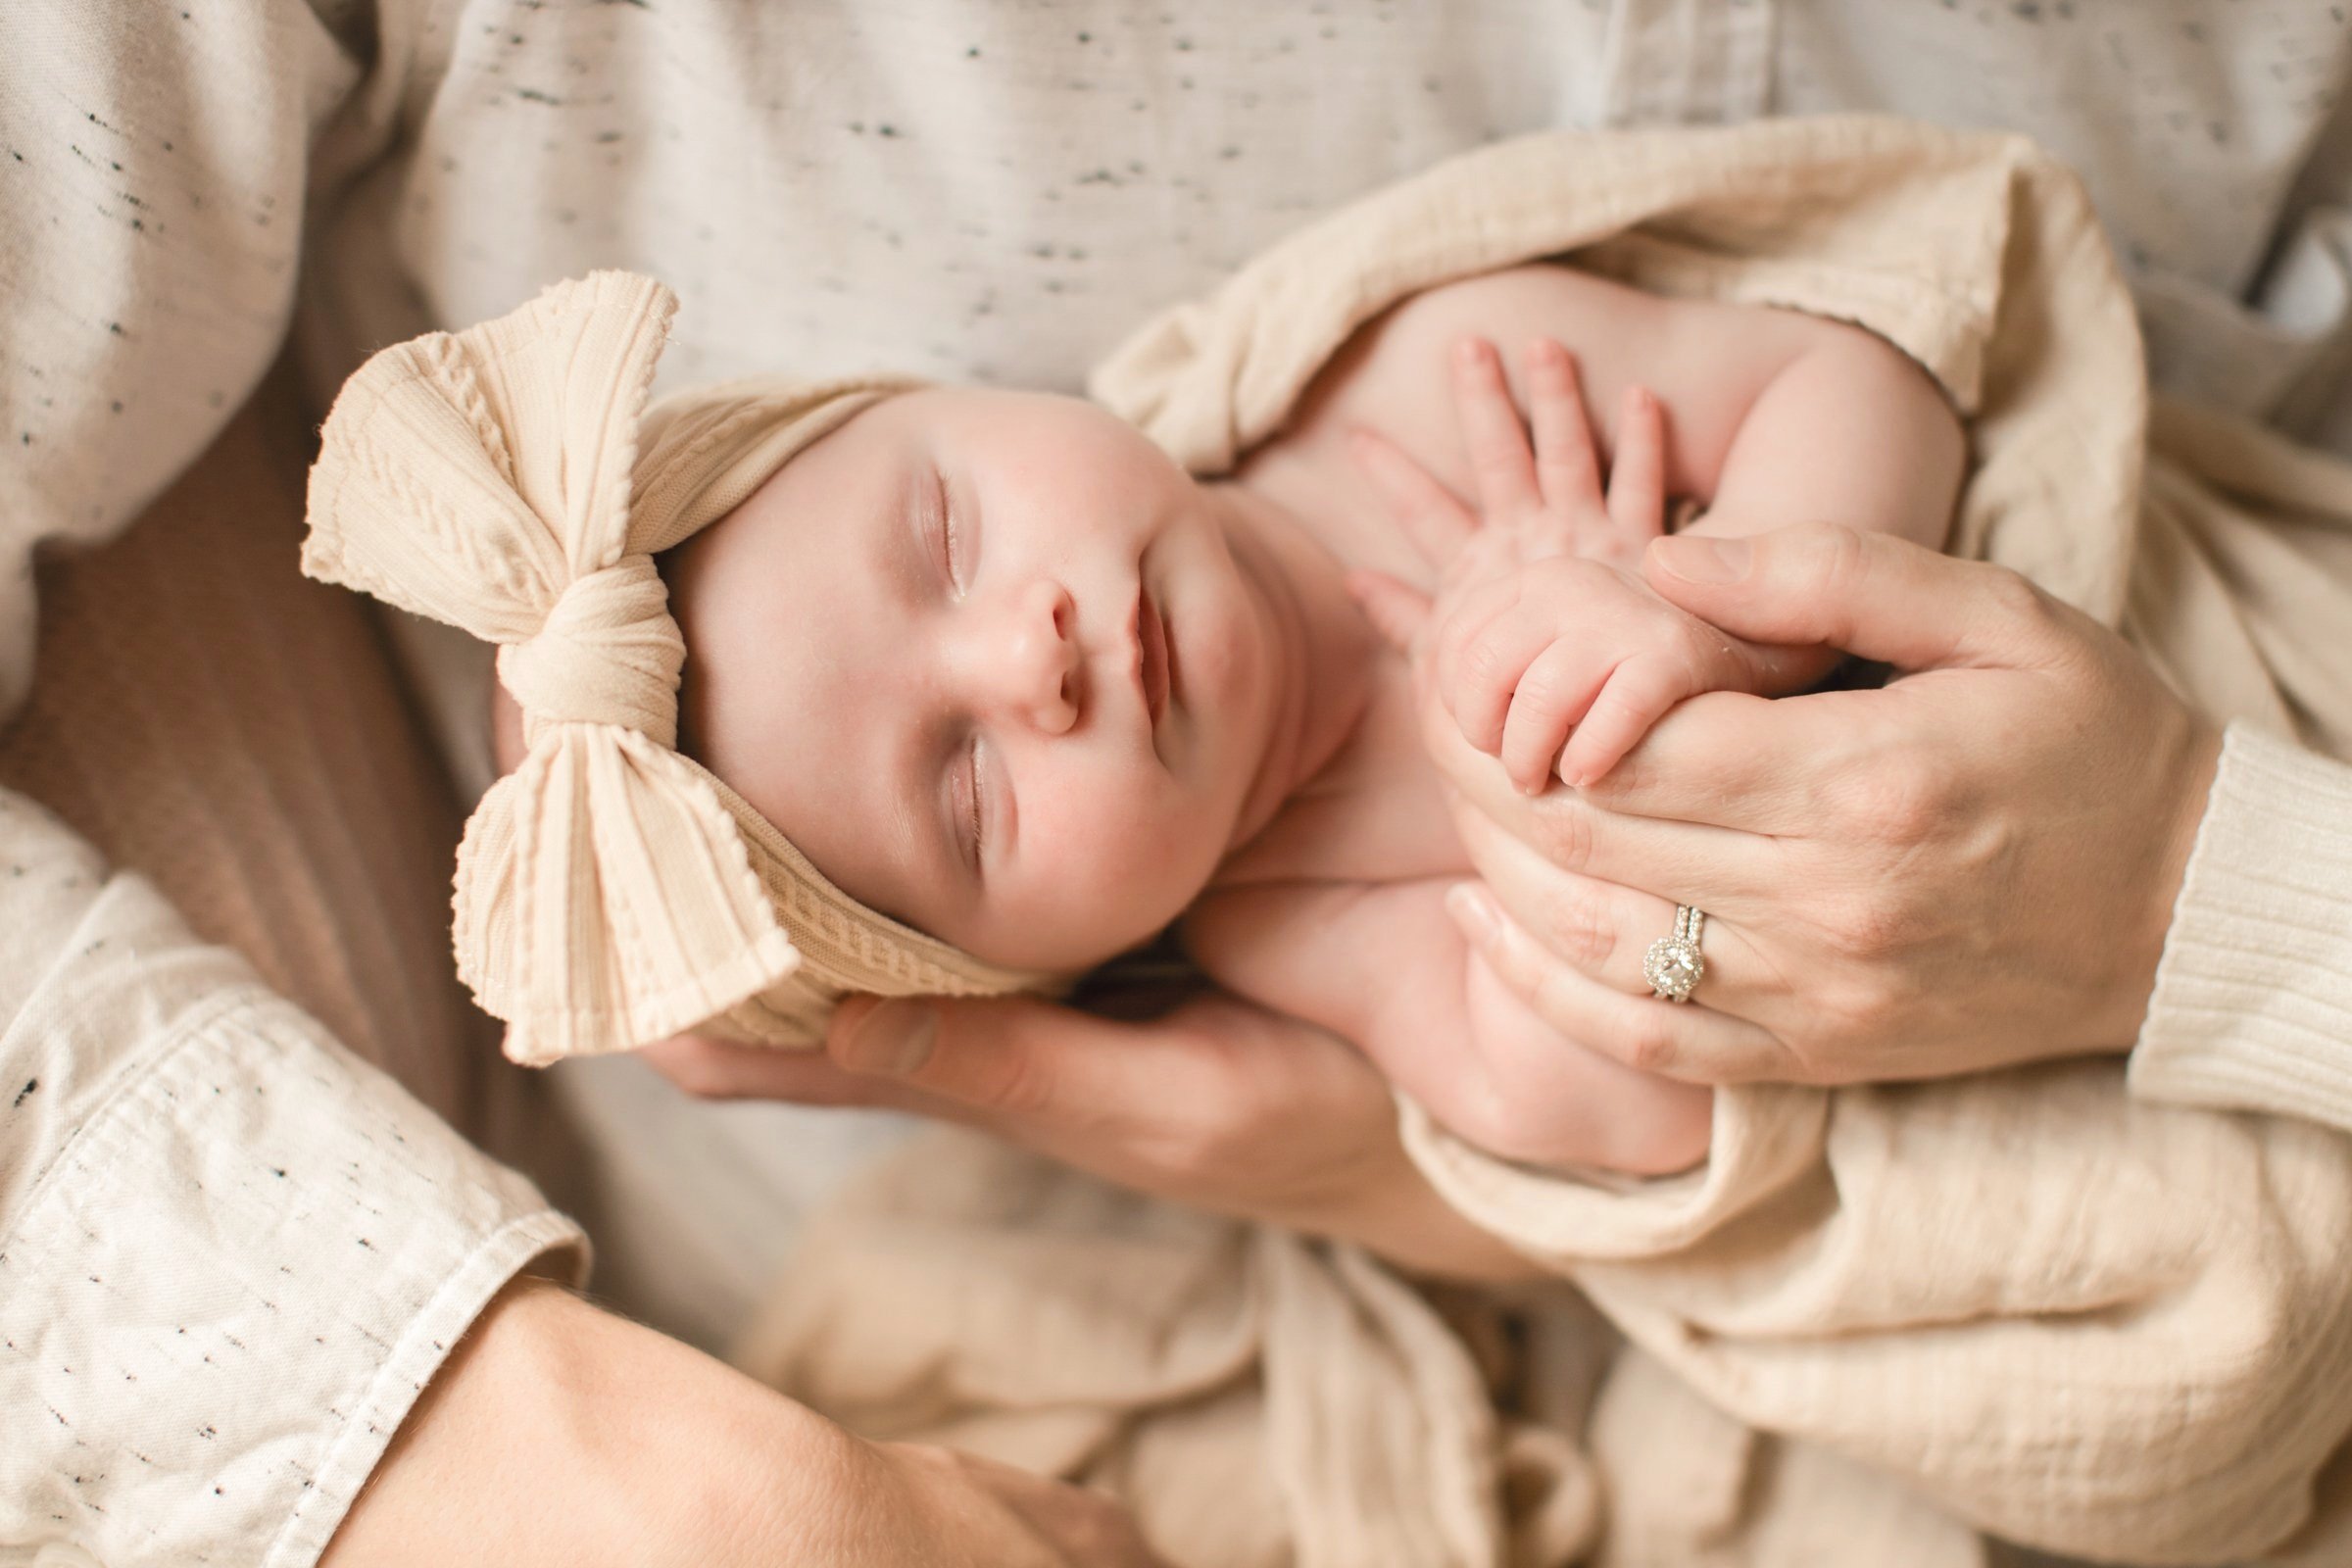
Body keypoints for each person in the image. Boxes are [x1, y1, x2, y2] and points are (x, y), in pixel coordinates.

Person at [7, 4, 2352, 1562]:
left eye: (941, 531)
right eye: (969, 802)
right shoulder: (1275, 926)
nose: (1025, 653)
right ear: (1030, 958)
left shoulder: (1416, 375)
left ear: (932, 397)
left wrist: (1702, 598)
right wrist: (1554, 873)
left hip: (2159, 664)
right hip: (1956, 1039)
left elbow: (1874, 355)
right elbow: (1609, 1117)